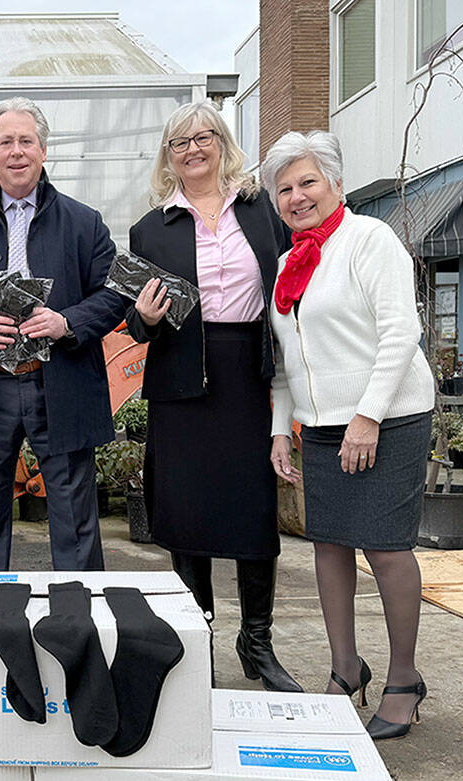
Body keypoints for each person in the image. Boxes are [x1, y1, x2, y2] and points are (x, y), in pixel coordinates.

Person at [261, 130, 436, 739]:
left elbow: (400, 332)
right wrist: (282, 431)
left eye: (308, 182)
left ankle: (404, 679)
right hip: (323, 426)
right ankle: (345, 669)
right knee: (328, 545)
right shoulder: (288, 264)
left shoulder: (369, 239)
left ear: (335, 183)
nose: (296, 196)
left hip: (388, 418)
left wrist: (368, 415)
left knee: (386, 549)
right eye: (284, 188)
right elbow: (285, 361)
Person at [126, 102, 301, 693]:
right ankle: (197, 639)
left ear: (222, 144)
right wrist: (142, 319)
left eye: (204, 138)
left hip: (247, 375)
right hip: (180, 380)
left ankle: (257, 643)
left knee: (254, 513)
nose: (193, 150)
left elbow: (289, 289)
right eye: (180, 143)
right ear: (168, 156)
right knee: (187, 513)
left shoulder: (261, 211)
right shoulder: (151, 229)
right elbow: (137, 323)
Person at [0, 96, 125, 570]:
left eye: (26, 141)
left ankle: (78, 620)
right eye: (5, 142)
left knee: (74, 512)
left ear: (43, 150)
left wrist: (67, 321)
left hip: (61, 380)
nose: (16, 151)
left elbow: (116, 293)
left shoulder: (84, 222)